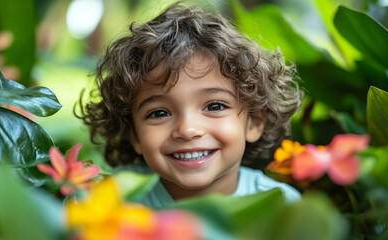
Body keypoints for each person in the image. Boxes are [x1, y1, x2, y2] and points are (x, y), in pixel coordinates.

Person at [77, 1, 302, 209]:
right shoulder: (109, 202)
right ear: (134, 134)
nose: (187, 130)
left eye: (214, 106)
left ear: (254, 121)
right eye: (159, 113)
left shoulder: (282, 207)